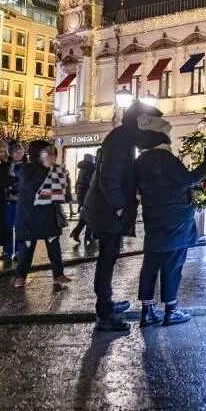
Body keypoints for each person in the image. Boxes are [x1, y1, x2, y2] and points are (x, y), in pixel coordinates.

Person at [82, 101, 170, 332]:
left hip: (105, 209)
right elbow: (108, 177)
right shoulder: (121, 141)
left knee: (109, 258)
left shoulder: (123, 138)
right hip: (107, 211)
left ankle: (107, 303)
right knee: (106, 260)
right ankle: (104, 313)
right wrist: (120, 206)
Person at [134, 115, 206, 327]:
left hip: (154, 217)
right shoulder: (165, 158)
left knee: (150, 264)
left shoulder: (141, 160)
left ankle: (147, 310)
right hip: (175, 218)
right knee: (172, 264)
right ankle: (171, 309)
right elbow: (188, 179)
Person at [14, 142, 72, 287]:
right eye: (48, 155)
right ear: (38, 156)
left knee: (53, 245)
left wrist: (65, 181)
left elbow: (64, 196)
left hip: (48, 214)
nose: (51, 158)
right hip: (30, 215)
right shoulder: (26, 169)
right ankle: (20, 277)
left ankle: (58, 275)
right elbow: (33, 187)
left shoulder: (55, 170)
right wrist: (44, 169)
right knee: (27, 247)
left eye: (53, 155)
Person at [2, 142, 26, 261]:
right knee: (7, 226)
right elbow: (3, 181)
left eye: (20, 152)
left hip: (20, 201)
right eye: (16, 152)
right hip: (8, 201)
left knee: (19, 227)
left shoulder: (26, 166)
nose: (19, 154)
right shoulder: (8, 166)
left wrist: (13, 187)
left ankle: (18, 251)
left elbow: (24, 183)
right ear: (11, 154)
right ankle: (6, 251)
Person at [70, 153, 96, 243]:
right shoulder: (91, 169)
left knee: (85, 216)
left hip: (81, 195)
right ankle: (87, 236)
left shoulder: (82, 169)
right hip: (88, 195)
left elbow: (78, 183)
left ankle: (76, 232)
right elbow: (91, 183)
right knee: (90, 216)